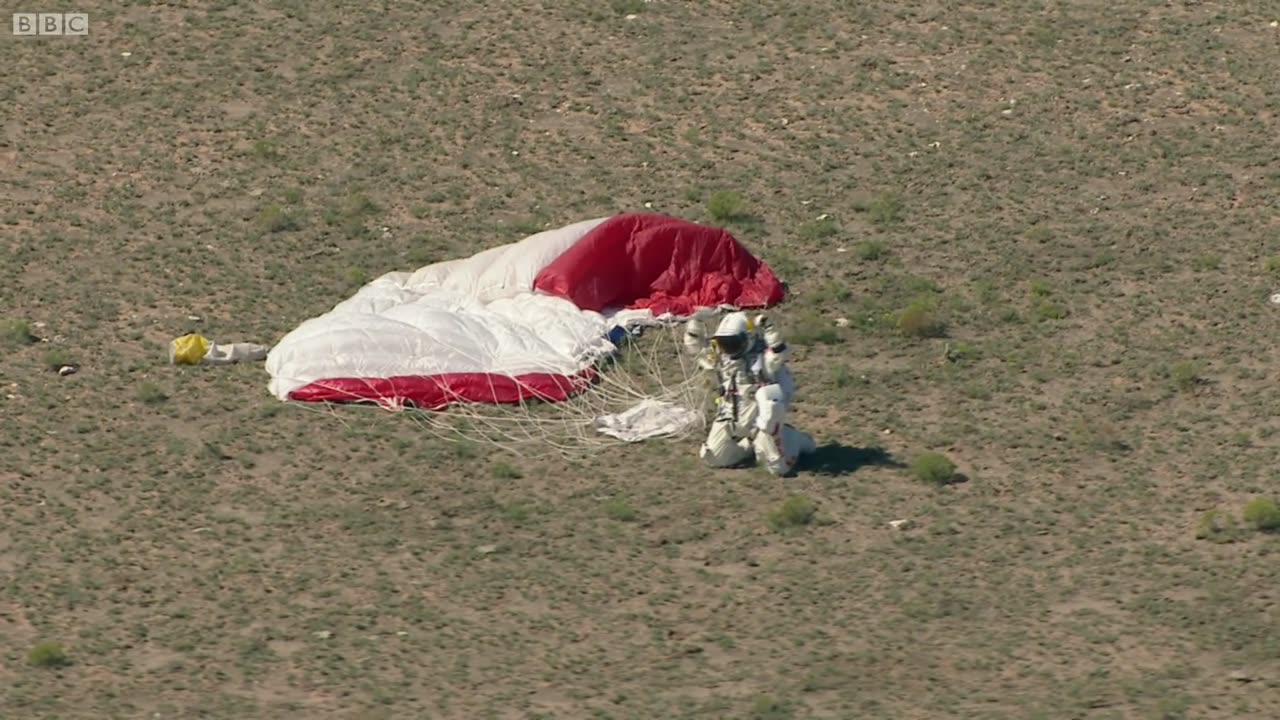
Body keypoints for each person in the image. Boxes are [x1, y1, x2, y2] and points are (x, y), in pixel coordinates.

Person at [683, 309, 817, 475]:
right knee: (712, 457)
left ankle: (796, 439)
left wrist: (769, 328)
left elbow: (778, 353)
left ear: (748, 338)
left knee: (778, 467)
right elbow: (694, 348)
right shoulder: (722, 359)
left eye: (733, 343)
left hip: (760, 424)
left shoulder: (761, 360)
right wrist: (694, 322)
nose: (728, 349)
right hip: (731, 420)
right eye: (724, 344)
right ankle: (750, 446)